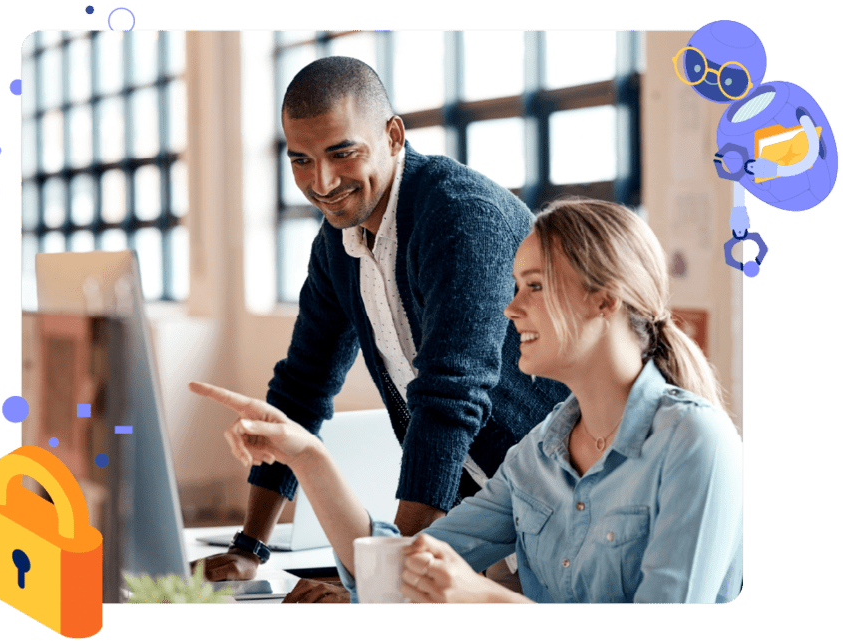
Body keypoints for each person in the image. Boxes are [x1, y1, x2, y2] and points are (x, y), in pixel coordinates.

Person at [200, 198, 744, 603]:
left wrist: (485, 600)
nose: (511, 309)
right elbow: (400, 569)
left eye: (534, 286)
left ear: (603, 300)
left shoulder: (694, 441)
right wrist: (305, 455)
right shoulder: (539, 453)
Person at [189, 56, 569, 601]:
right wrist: (251, 547)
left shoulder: (460, 215)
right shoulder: (337, 247)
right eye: (301, 160)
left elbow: (450, 395)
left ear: (393, 135)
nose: (321, 182)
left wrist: (390, 591)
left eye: (343, 153)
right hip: (477, 526)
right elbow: (302, 387)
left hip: (564, 505)